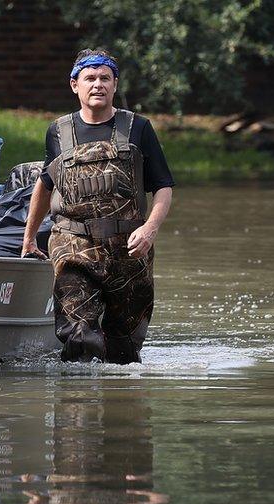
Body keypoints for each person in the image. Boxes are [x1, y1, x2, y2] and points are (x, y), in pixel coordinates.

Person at [21, 48, 175, 364]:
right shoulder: (59, 132)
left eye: (105, 78)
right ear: (74, 85)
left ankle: (119, 405)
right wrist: (28, 238)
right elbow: (45, 183)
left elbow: (163, 187)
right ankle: (77, 403)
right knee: (78, 336)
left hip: (129, 251)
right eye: (90, 78)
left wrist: (150, 229)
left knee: (124, 352)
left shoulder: (138, 128)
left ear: (115, 84)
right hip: (73, 245)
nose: (98, 85)